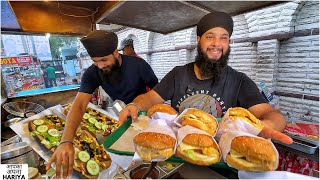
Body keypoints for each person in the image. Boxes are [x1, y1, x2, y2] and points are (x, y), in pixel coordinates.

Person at [119, 11, 293, 145]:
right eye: (210, 37)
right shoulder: (178, 74)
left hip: (219, 162)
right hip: (179, 152)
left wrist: (268, 125)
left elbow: (271, 114)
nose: (217, 44)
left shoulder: (240, 81)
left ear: (229, 43)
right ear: (198, 40)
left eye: (223, 38)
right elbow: (150, 98)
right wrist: (134, 105)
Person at [46, 30, 158, 178]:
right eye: (95, 61)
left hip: (145, 117)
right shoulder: (92, 73)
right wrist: (66, 140)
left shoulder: (138, 65)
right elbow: (79, 104)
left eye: (104, 60)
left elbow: (157, 92)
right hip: (122, 117)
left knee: (151, 156)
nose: (100, 66)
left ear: (115, 53)